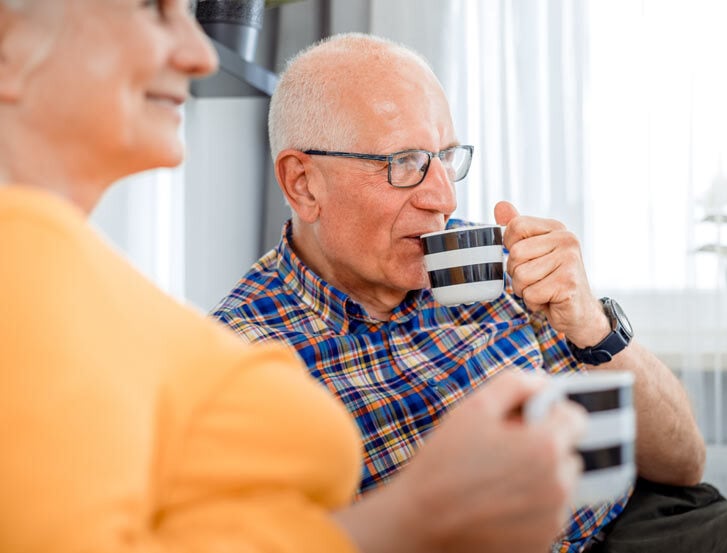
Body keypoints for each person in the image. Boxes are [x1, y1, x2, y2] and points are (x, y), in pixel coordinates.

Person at [212, 32, 727, 553]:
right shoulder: (240, 358)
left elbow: (685, 463)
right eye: (402, 163)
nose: (443, 198)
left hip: (649, 525)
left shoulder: (489, 258)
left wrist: (593, 323)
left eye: (446, 158)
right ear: (302, 184)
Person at [0, 2, 589, 553]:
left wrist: (592, 323)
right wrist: (421, 514)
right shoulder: (35, 286)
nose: (202, 54)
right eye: (153, 7)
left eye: (444, 157)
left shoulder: (92, 281)